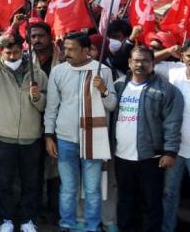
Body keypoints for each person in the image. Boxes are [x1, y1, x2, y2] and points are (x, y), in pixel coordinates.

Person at [0, 34, 47, 232]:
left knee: (30, 182)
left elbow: (45, 105)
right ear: (2, 53)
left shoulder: (37, 74)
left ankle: (27, 220)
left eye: (16, 52)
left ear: (22, 51)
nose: (13, 56)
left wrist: (37, 97)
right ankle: (6, 219)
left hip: (31, 136)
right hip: (2, 136)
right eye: (8, 52)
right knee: (4, 181)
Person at [44, 32, 116, 232]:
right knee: (67, 188)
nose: (66, 53)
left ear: (85, 50)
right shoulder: (58, 72)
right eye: (65, 48)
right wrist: (49, 136)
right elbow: (51, 107)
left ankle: (92, 226)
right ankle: (67, 224)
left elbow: (111, 104)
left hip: (94, 138)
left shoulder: (103, 72)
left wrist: (103, 90)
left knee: (92, 189)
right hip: (66, 139)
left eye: (72, 49)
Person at [112, 46, 182, 232]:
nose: (139, 64)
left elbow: (172, 123)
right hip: (122, 156)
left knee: (151, 204)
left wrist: (170, 152)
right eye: (136, 60)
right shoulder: (118, 85)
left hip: (151, 158)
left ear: (153, 64)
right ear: (129, 62)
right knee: (126, 201)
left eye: (145, 61)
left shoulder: (166, 90)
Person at [160, 38, 190, 232]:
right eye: (189, 56)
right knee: (169, 194)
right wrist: (168, 50)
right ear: (182, 56)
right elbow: (146, 62)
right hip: (173, 149)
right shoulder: (173, 71)